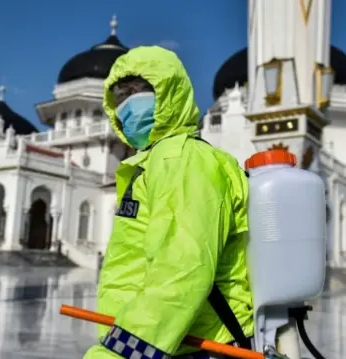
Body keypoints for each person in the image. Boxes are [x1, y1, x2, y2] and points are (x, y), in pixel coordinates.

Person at [84, 46, 253, 359]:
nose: (127, 105)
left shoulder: (182, 160)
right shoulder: (152, 164)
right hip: (168, 343)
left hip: (200, 346)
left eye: (138, 91)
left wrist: (122, 353)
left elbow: (182, 269)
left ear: (169, 92)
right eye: (120, 96)